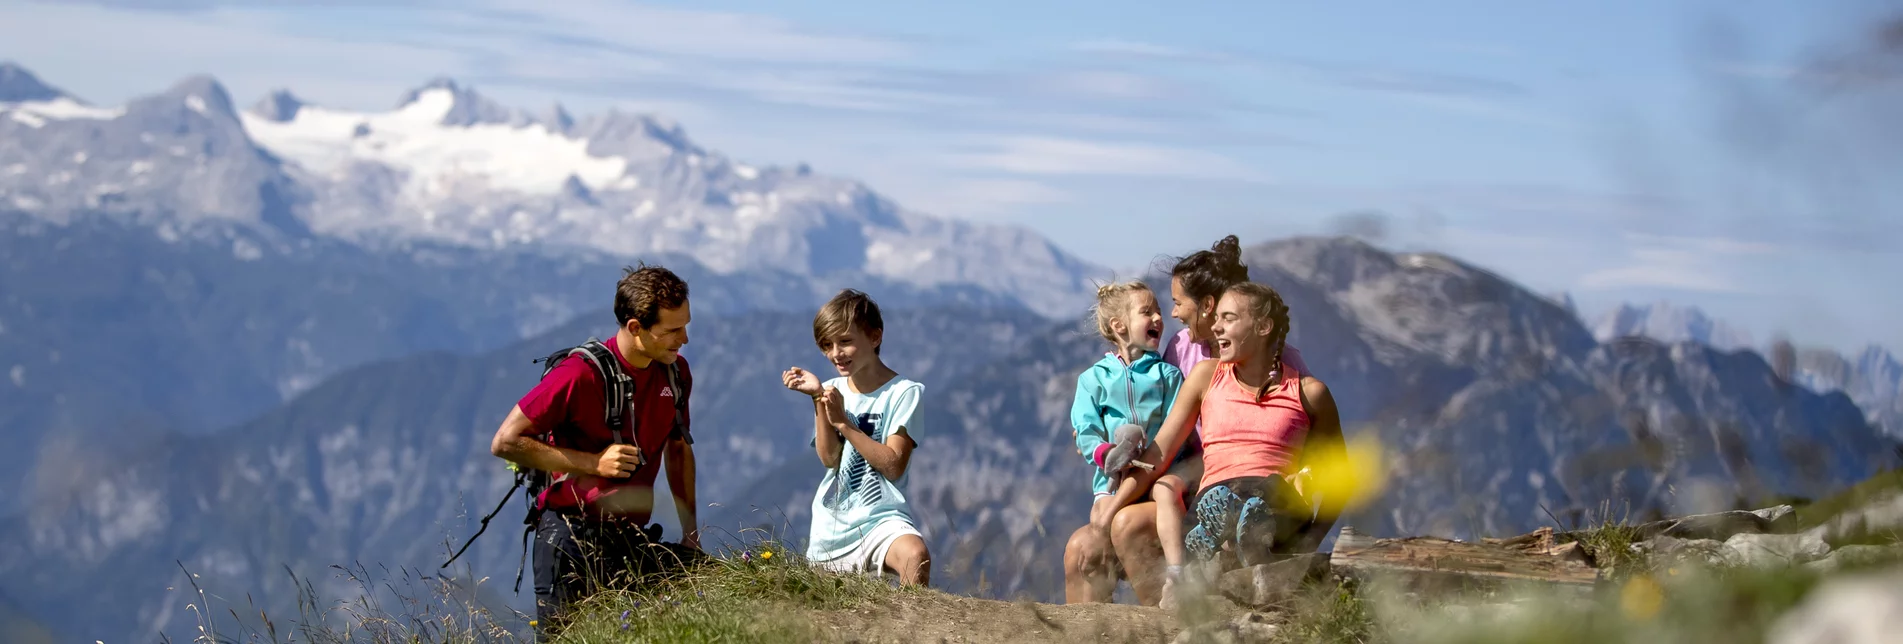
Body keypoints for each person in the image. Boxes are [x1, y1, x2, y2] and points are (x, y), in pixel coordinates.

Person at [488, 263, 704, 634]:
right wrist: (595, 463)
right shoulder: (579, 374)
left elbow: (678, 451)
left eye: (685, 325)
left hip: (632, 537)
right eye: (672, 329)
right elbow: (505, 441)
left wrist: (691, 534)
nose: (684, 338)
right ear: (635, 327)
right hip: (569, 540)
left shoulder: (675, 372)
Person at [1132, 281, 1346, 603]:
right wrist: (1112, 505)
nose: (1215, 327)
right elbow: (1160, 451)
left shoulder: (1309, 393)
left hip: (1278, 505)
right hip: (1216, 496)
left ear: (1262, 327)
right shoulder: (1206, 377)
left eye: (1228, 318)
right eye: (1216, 317)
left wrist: (1312, 539)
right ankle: (1228, 537)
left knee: (1267, 494)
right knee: (1222, 502)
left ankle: (1234, 539)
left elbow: (1339, 478)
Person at [781, 289, 933, 586]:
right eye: (827, 344)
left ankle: (910, 630)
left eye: (845, 341)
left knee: (916, 555)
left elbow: (893, 465)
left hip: (882, 518)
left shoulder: (904, 393)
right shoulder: (831, 388)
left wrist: (844, 424)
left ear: (875, 338)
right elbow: (829, 459)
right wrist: (817, 398)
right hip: (832, 525)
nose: (835, 353)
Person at [1065, 280, 1187, 603]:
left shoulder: (1168, 377)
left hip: (1156, 480)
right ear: (1119, 326)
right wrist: (1105, 453)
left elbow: (1178, 433)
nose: (1159, 318)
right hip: (1110, 483)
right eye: (1148, 312)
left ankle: (1154, 620)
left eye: (1160, 311)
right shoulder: (1093, 379)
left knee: (1118, 525)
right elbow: (1085, 427)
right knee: (1085, 544)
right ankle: (1090, 631)